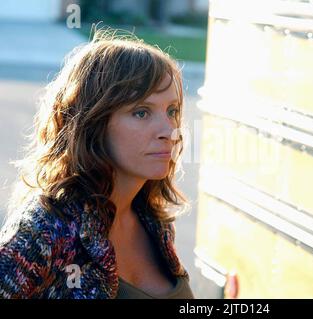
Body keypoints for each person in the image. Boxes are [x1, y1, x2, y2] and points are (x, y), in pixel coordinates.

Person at [0, 29, 194, 299]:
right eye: (141, 112)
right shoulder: (48, 227)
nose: (169, 130)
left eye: (172, 111)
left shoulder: (154, 222)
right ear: (93, 123)